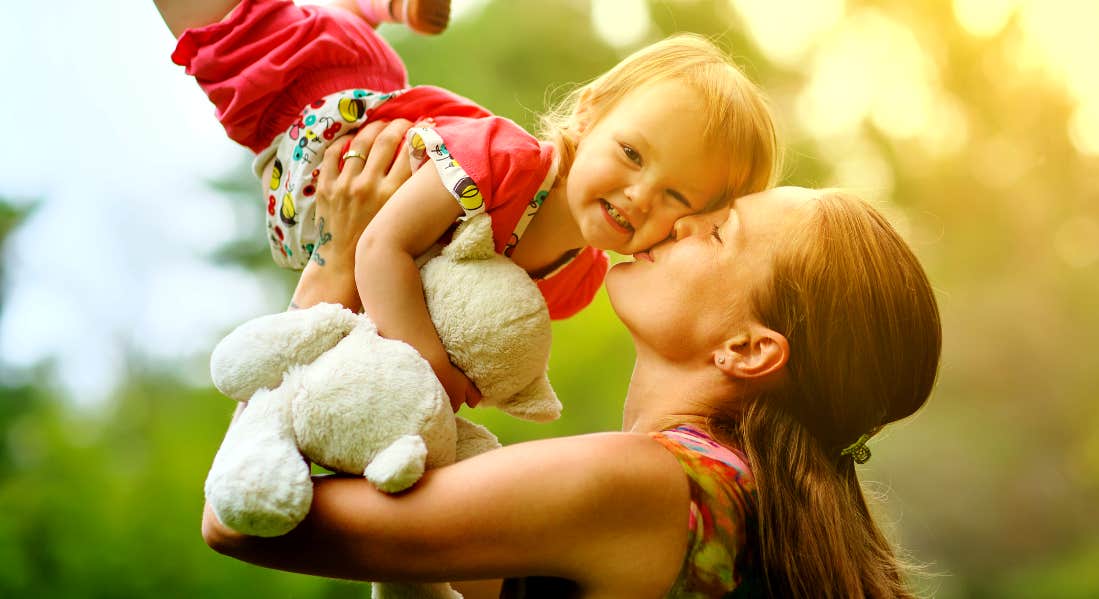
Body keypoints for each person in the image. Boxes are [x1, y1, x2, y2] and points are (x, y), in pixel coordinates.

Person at [203, 135, 943, 597]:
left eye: (718, 232)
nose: (681, 219)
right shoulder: (731, 511)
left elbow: (245, 516)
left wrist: (336, 262)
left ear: (748, 350)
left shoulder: (649, 487)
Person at [154, 0, 780, 407]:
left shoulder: (577, 283)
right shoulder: (503, 161)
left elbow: (459, 329)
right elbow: (379, 247)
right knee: (225, 26)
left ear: (691, 225)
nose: (639, 193)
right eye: (633, 154)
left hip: (332, 210)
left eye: (675, 195)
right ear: (589, 114)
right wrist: (430, 371)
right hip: (311, 94)